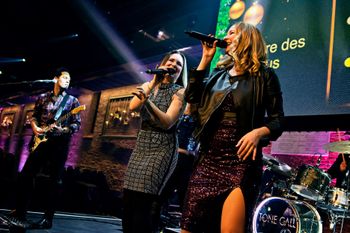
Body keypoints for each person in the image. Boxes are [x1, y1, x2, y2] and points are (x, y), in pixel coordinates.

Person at [180, 22, 284, 233]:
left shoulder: (265, 76)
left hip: (240, 162)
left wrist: (257, 133)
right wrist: (206, 58)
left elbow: (277, 121)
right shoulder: (218, 75)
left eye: (232, 33)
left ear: (247, 39)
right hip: (208, 160)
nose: (225, 37)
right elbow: (191, 99)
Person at [3, 67, 81, 229]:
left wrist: (64, 130)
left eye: (69, 79)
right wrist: (35, 128)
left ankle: (48, 219)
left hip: (60, 144)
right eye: (65, 77)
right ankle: (20, 211)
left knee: (54, 180)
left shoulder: (73, 101)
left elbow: (76, 124)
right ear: (55, 79)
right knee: (25, 175)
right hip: (41, 141)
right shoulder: (43, 98)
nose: (67, 80)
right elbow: (33, 117)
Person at [122, 50, 188, 233]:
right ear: (161, 65)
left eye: (178, 64)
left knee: (144, 202)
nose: (173, 65)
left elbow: (167, 122)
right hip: (142, 144)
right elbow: (133, 106)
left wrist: (148, 103)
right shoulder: (148, 85)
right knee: (128, 199)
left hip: (162, 147)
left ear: (181, 72)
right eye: (171, 61)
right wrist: (153, 83)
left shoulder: (181, 92)